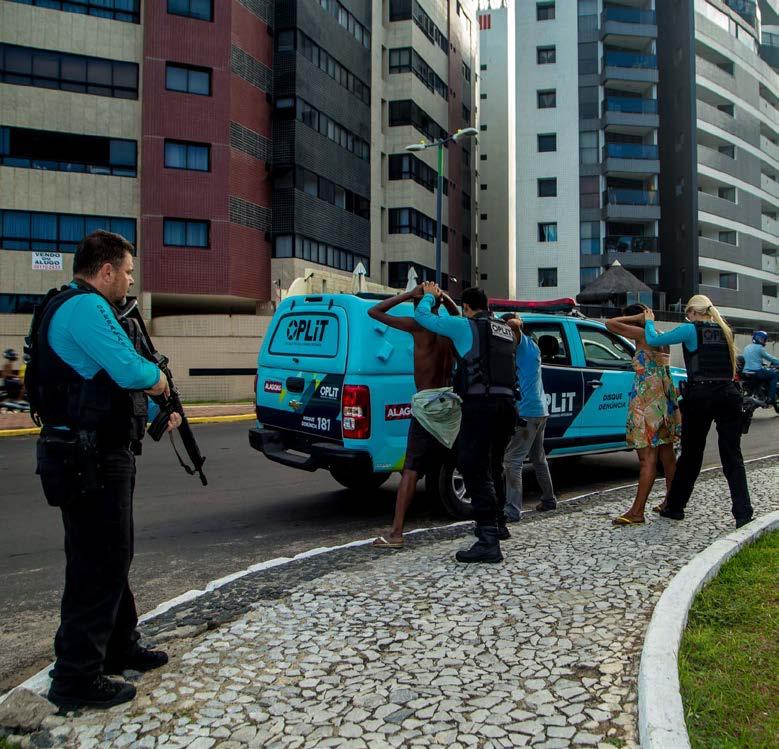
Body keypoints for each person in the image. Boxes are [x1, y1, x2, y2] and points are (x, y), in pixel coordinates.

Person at [29, 230, 181, 710]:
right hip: (89, 456)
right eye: (128, 271)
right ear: (107, 270)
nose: (131, 280)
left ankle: (118, 646)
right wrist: (158, 381)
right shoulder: (88, 307)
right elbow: (130, 369)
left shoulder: (64, 305)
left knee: (108, 555)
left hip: (80, 452)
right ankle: (76, 677)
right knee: (99, 563)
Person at [415, 284, 516, 563]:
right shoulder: (504, 330)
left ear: (467, 308)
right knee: (494, 465)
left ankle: (488, 540)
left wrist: (429, 295)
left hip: (480, 405)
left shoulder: (464, 325)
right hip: (507, 407)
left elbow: (424, 317)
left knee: (473, 467)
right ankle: (499, 525)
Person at [643, 295, 753, 528]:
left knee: (691, 455)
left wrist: (649, 320)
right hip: (728, 395)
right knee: (732, 456)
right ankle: (743, 513)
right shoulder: (725, 330)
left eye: (688, 313)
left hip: (701, 395)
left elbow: (653, 339)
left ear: (694, 311)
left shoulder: (691, 329)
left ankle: (675, 508)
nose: (687, 317)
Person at [370, 285, 459, 549]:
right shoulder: (451, 328)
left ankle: (396, 533)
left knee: (410, 472)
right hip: (450, 404)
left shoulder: (418, 326)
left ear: (421, 306)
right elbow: (461, 316)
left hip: (427, 404)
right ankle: (487, 520)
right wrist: (444, 298)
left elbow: (374, 311)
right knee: (464, 462)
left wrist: (410, 294)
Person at [605, 304, 680, 525]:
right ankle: (671, 501)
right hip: (664, 401)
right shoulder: (661, 337)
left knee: (647, 458)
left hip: (647, 401)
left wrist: (637, 317)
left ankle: (637, 511)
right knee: (666, 453)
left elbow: (609, 324)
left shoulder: (641, 335)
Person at [502, 314, 557, 521]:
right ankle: (549, 499)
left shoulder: (524, 344)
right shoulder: (530, 347)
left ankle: (512, 510)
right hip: (540, 410)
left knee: (512, 460)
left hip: (527, 412)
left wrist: (502, 324)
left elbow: (515, 324)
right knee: (538, 458)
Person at [741, 330, 779, 405]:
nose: (765, 341)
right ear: (759, 339)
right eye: (764, 339)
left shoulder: (747, 347)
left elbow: (752, 358)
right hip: (756, 371)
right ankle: (770, 399)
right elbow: (771, 358)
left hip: (746, 372)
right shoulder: (759, 348)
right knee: (774, 375)